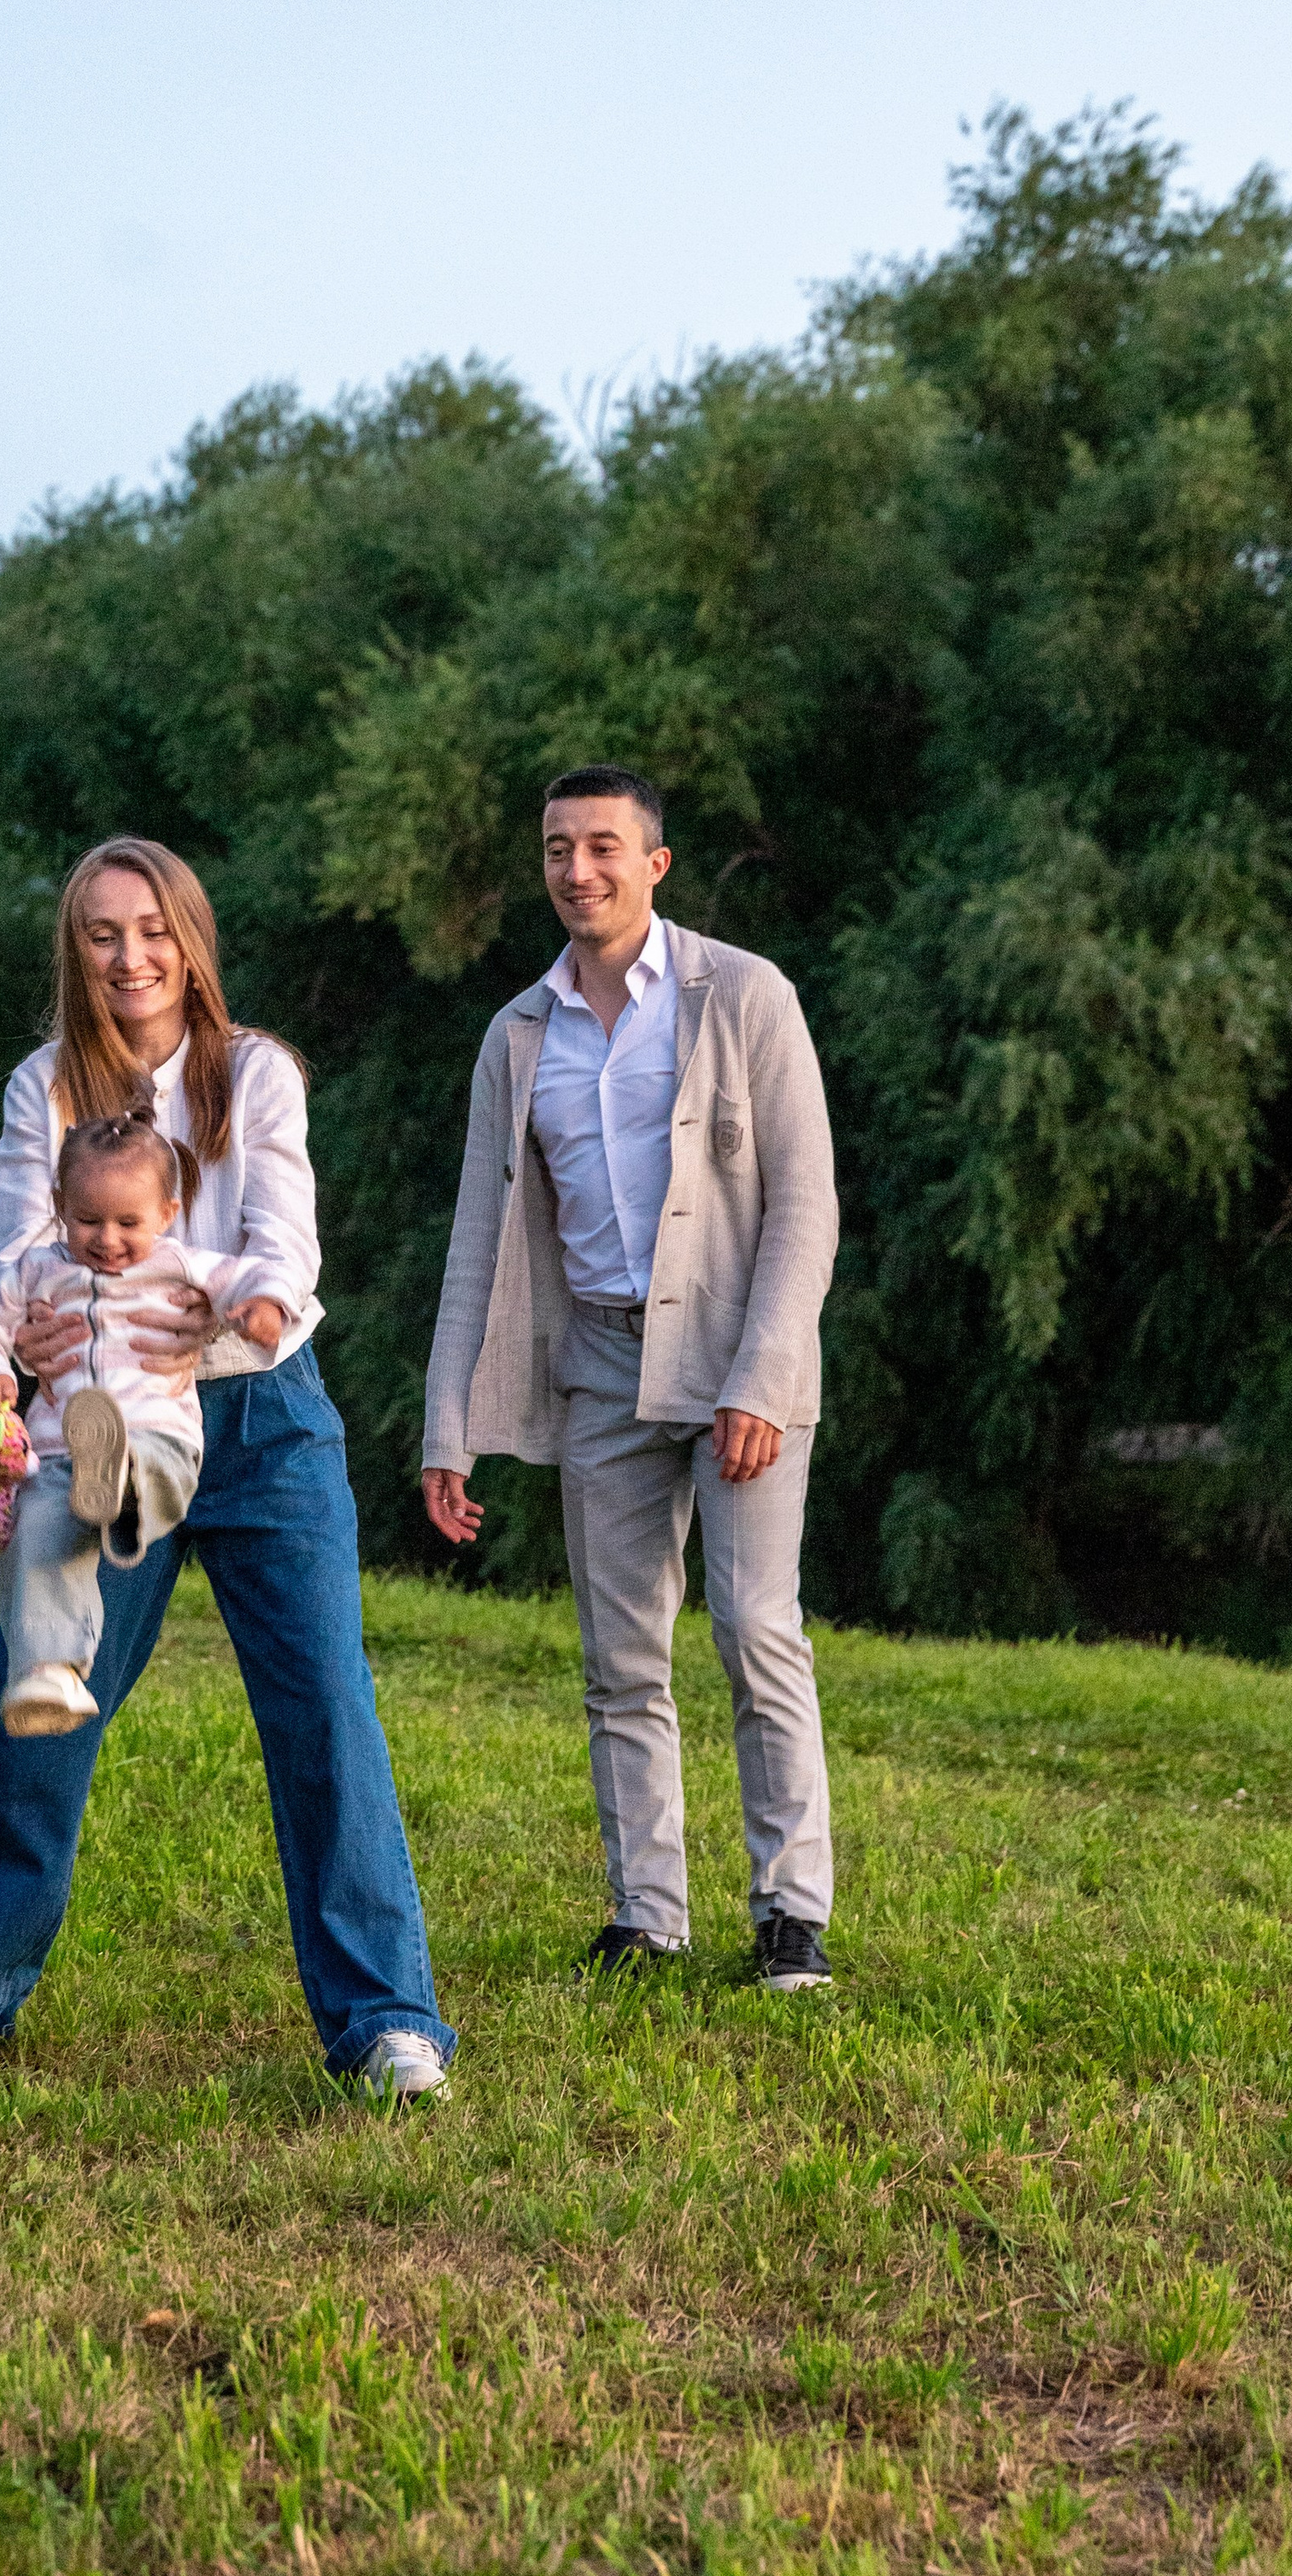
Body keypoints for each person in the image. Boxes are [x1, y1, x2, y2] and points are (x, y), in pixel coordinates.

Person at [0, 835, 455, 2100]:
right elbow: (18, 1265)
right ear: (77, 950)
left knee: (324, 1706)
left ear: (191, 940)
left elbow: (284, 1247)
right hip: (96, 1416)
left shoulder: (256, 1073)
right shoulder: (42, 1086)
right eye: (103, 932)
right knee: (34, 1690)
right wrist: (9, 1357)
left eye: (153, 929)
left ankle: (387, 2023)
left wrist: (223, 1320)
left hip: (262, 1419)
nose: (130, 955)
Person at [421, 765, 839, 1992]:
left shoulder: (742, 994)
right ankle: (649, 1914)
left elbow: (806, 1206)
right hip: (598, 1366)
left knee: (757, 1631)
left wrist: (760, 1380)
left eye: (604, 846)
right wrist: (447, 1426)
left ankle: (790, 1915)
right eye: (558, 848)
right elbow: (478, 1240)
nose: (578, 870)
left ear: (655, 863)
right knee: (620, 1658)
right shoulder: (519, 1034)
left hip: (733, 1356)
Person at [0, 1107, 282, 1735]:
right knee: (36, 1535)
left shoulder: (181, 1264)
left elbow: (252, 1272)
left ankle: (124, 1488)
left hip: (159, 1435)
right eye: (87, 1220)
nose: (107, 1239)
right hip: (60, 1452)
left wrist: (263, 1308)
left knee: (150, 1470)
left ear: (167, 1212)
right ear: (58, 1205)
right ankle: (50, 1672)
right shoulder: (40, 1270)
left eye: (128, 1222)